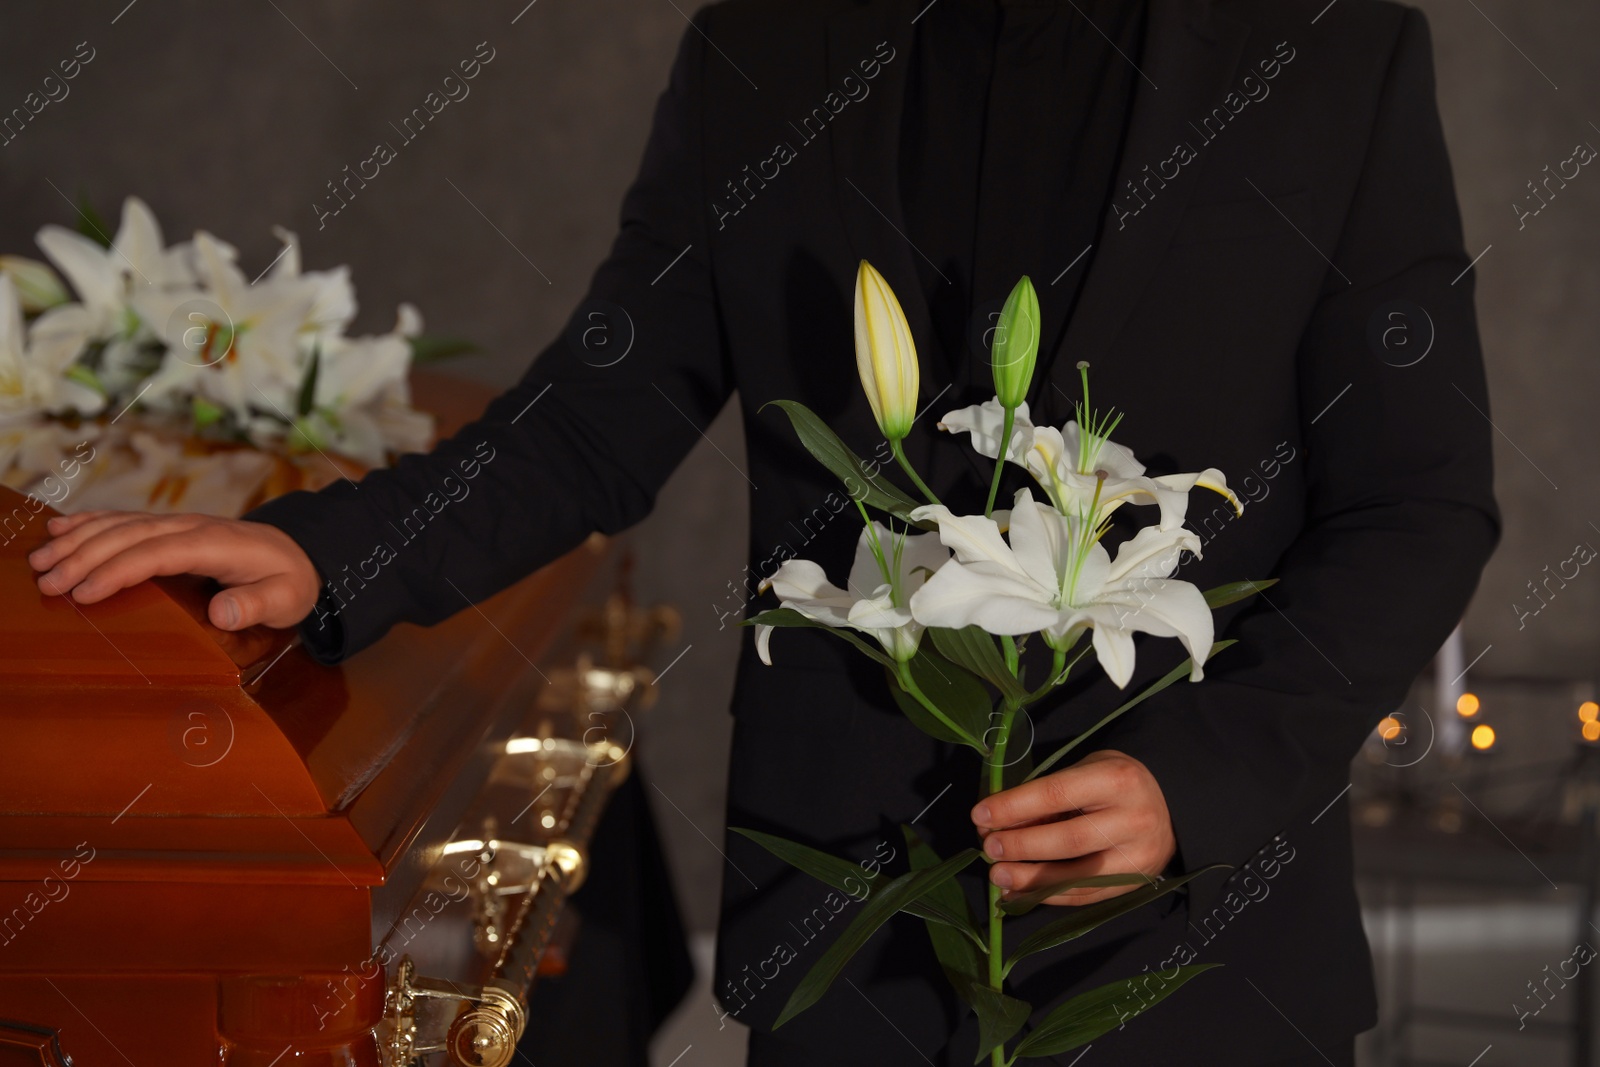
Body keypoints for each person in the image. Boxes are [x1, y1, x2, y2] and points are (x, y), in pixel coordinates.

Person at [28, 0, 1498, 1062]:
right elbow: (601, 417)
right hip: (845, 931)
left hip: (1201, 958)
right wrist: (327, 553)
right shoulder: (761, 45)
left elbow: (1418, 502)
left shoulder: (1334, 48)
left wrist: (1197, 781)